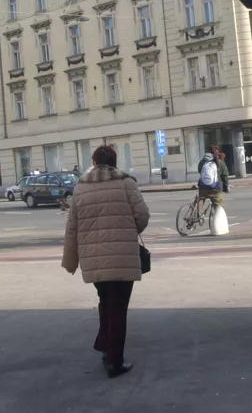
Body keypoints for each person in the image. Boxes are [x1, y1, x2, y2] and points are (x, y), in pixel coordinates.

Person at [62, 145, 150, 379]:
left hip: (94, 261)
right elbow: (142, 217)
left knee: (105, 301)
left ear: (94, 161)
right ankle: (114, 361)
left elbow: (72, 227)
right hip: (122, 257)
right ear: (114, 161)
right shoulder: (126, 183)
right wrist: (129, 230)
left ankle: (105, 346)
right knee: (118, 309)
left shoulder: (80, 188)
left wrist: (70, 261)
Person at [197, 145, 229, 214]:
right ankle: (219, 221)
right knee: (219, 209)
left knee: (200, 200)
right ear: (217, 152)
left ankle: (196, 215)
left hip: (203, 187)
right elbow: (225, 176)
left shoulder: (203, 161)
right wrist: (226, 187)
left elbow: (199, 170)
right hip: (215, 189)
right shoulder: (220, 162)